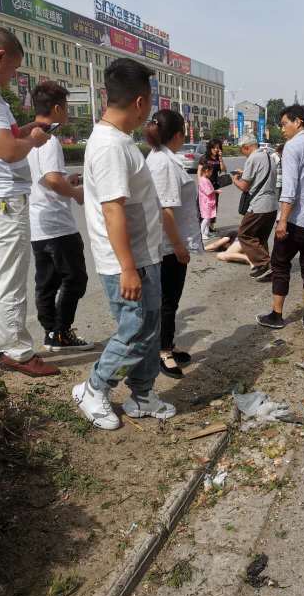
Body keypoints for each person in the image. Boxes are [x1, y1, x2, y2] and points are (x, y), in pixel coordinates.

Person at [73, 58, 176, 430]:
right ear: (139, 102)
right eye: (149, 103)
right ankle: (93, 388)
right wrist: (129, 268)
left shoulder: (119, 141)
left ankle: (142, 394)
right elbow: (113, 212)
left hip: (142, 258)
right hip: (125, 263)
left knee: (148, 330)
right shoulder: (110, 147)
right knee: (133, 332)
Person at [0, 26, 59, 377]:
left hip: (5, 197)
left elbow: (6, 140)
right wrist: (33, 141)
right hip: (6, 199)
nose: (13, 76)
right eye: (13, 69)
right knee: (11, 276)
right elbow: (7, 151)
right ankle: (18, 352)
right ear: (0, 56)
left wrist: (24, 131)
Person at [28, 81, 92, 352]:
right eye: (66, 108)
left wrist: (67, 179)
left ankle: (50, 333)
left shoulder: (27, 137)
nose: (67, 113)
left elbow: (43, 178)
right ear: (56, 108)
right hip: (58, 226)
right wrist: (76, 192)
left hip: (37, 225)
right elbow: (52, 180)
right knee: (75, 279)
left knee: (46, 282)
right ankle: (61, 333)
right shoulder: (50, 139)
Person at [256, 105, 304, 330]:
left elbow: (289, 189)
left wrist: (282, 220)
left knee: (280, 264)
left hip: (296, 220)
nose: (282, 129)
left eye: (284, 124)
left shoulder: (292, 146)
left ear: (297, 122)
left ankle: (277, 315)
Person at [145, 109, 203, 379]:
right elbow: (165, 211)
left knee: (168, 300)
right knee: (168, 301)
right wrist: (179, 247)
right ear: (178, 134)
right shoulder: (164, 164)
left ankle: (166, 343)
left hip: (166, 243)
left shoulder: (161, 157)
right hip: (167, 246)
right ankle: (163, 351)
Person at [232, 133, 278, 282]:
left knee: (244, 234)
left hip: (259, 205)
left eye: (242, 150)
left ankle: (265, 263)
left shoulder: (253, 158)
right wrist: (244, 173)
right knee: (260, 238)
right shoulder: (269, 157)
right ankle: (266, 270)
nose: (242, 154)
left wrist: (235, 180)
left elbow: (245, 187)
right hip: (272, 204)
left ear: (246, 147)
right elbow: (260, 178)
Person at [197, 138, 226, 230]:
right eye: (214, 148)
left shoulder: (218, 158)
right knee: (203, 205)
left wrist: (221, 159)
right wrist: (201, 185)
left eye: (218, 148)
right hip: (205, 186)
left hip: (214, 185)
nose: (216, 150)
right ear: (210, 148)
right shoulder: (204, 158)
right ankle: (201, 226)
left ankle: (210, 226)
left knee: (213, 205)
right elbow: (199, 172)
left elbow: (223, 170)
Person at [198, 163, 220, 241]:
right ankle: (201, 233)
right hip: (206, 202)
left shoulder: (205, 179)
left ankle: (206, 232)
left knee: (209, 217)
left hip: (208, 202)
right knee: (206, 218)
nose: (211, 173)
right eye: (211, 172)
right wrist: (216, 191)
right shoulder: (203, 180)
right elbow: (208, 191)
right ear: (206, 171)